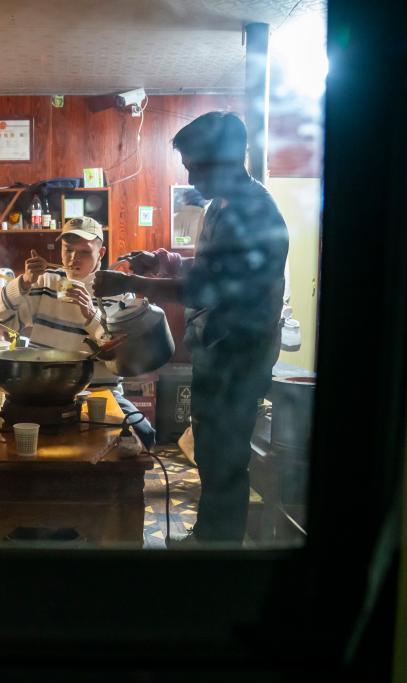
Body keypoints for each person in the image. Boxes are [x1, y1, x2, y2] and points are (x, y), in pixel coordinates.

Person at [95, 112, 289, 544]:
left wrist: (130, 283)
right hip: (217, 350)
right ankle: (209, 537)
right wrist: (163, 261)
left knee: (225, 459)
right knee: (212, 453)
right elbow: (208, 268)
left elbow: (206, 287)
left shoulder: (253, 212)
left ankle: (218, 549)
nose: (190, 177)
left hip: (238, 356)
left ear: (224, 158)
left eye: (195, 166)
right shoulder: (223, 205)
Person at [0, 216, 156, 447]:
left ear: (101, 253)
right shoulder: (45, 281)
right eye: (68, 249)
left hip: (100, 392)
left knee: (143, 433)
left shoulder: (118, 290)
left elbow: (121, 357)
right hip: (44, 389)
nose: (72, 258)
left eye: (84, 252)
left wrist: (90, 314)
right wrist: (24, 282)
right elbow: (1, 320)